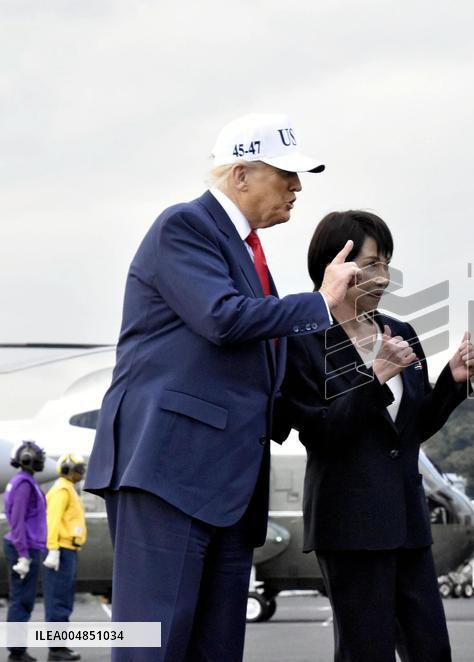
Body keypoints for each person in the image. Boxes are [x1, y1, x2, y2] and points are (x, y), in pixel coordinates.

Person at [85, 113, 359, 661]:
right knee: (154, 645)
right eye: (286, 174)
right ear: (240, 175)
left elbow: (267, 373)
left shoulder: (248, 253)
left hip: (227, 486)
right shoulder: (183, 227)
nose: (298, 188)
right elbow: (223, 318)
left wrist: (366, 378)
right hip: (171, 473)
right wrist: (321, 304)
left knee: (215, 648)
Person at [277, 210, 474, 662]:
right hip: (348, 522)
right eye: (371, 264)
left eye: (387, 263)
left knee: (430, 649)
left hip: (407, 519)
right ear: (336, 264)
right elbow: (318, 431)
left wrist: (454, 382)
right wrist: (376, 378)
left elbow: (413, 428)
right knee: (364, 650)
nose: (384, 276)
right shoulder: (302, 336)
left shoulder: (400, 331)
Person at [42, 454, 88, 662]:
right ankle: (56, 649)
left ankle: (60, 645)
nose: (81, 472)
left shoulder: (68, 488)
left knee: (64, 599)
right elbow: (52, 520)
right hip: (60, 551)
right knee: (58, 600)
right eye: (78, 468)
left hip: (68, 550)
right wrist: (53, 548)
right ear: (68, 469)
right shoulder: (62, 489)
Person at [4, 441, 47, 662]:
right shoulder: (23, 484)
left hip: (26, 546)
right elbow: (17, 521)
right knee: (21, 600)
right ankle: (16, 653)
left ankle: (17, 650)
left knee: (22, 600)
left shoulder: (23, 481)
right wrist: (22, 554)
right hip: (25, 548)